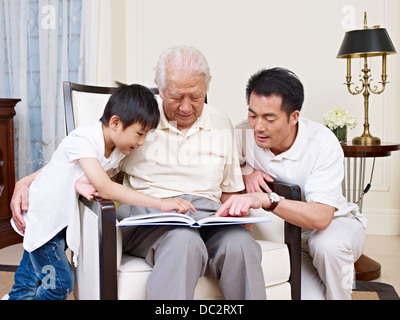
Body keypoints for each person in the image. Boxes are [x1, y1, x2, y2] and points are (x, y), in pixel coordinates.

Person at [7, 83, 195, 300]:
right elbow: (106, 186)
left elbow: (85, 175)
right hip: (44, 224)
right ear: (115, 122)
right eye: (139, 134)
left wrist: (80, 183)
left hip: (62, 225)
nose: (141, 142)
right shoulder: (83, 139)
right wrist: (161, 203)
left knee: (28, 278)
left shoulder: (117, 151)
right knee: (58, 283)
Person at [115, 45, 266, 300]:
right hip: (150, 218)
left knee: (241, 245)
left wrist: (239, 213)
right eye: (175, 97)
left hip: (207, 216)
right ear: (159, 88)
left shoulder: (220, 122)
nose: (186, 107)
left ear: (206, 87)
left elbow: (230, 191)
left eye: (196, 97)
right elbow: (89, 158)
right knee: (184, 241)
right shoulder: (137, 117)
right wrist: (33, 180)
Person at [217, 67, 367, 300]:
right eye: (253, 114)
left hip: (334, 227)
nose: (258, 126)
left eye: (269, 118)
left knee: (327, 246)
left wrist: (268, 200)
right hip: (287, 237)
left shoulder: (322, 143)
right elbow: (214, 172)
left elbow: (321, 217)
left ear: (294, 117)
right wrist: (243, 172)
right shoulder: (242, 135)